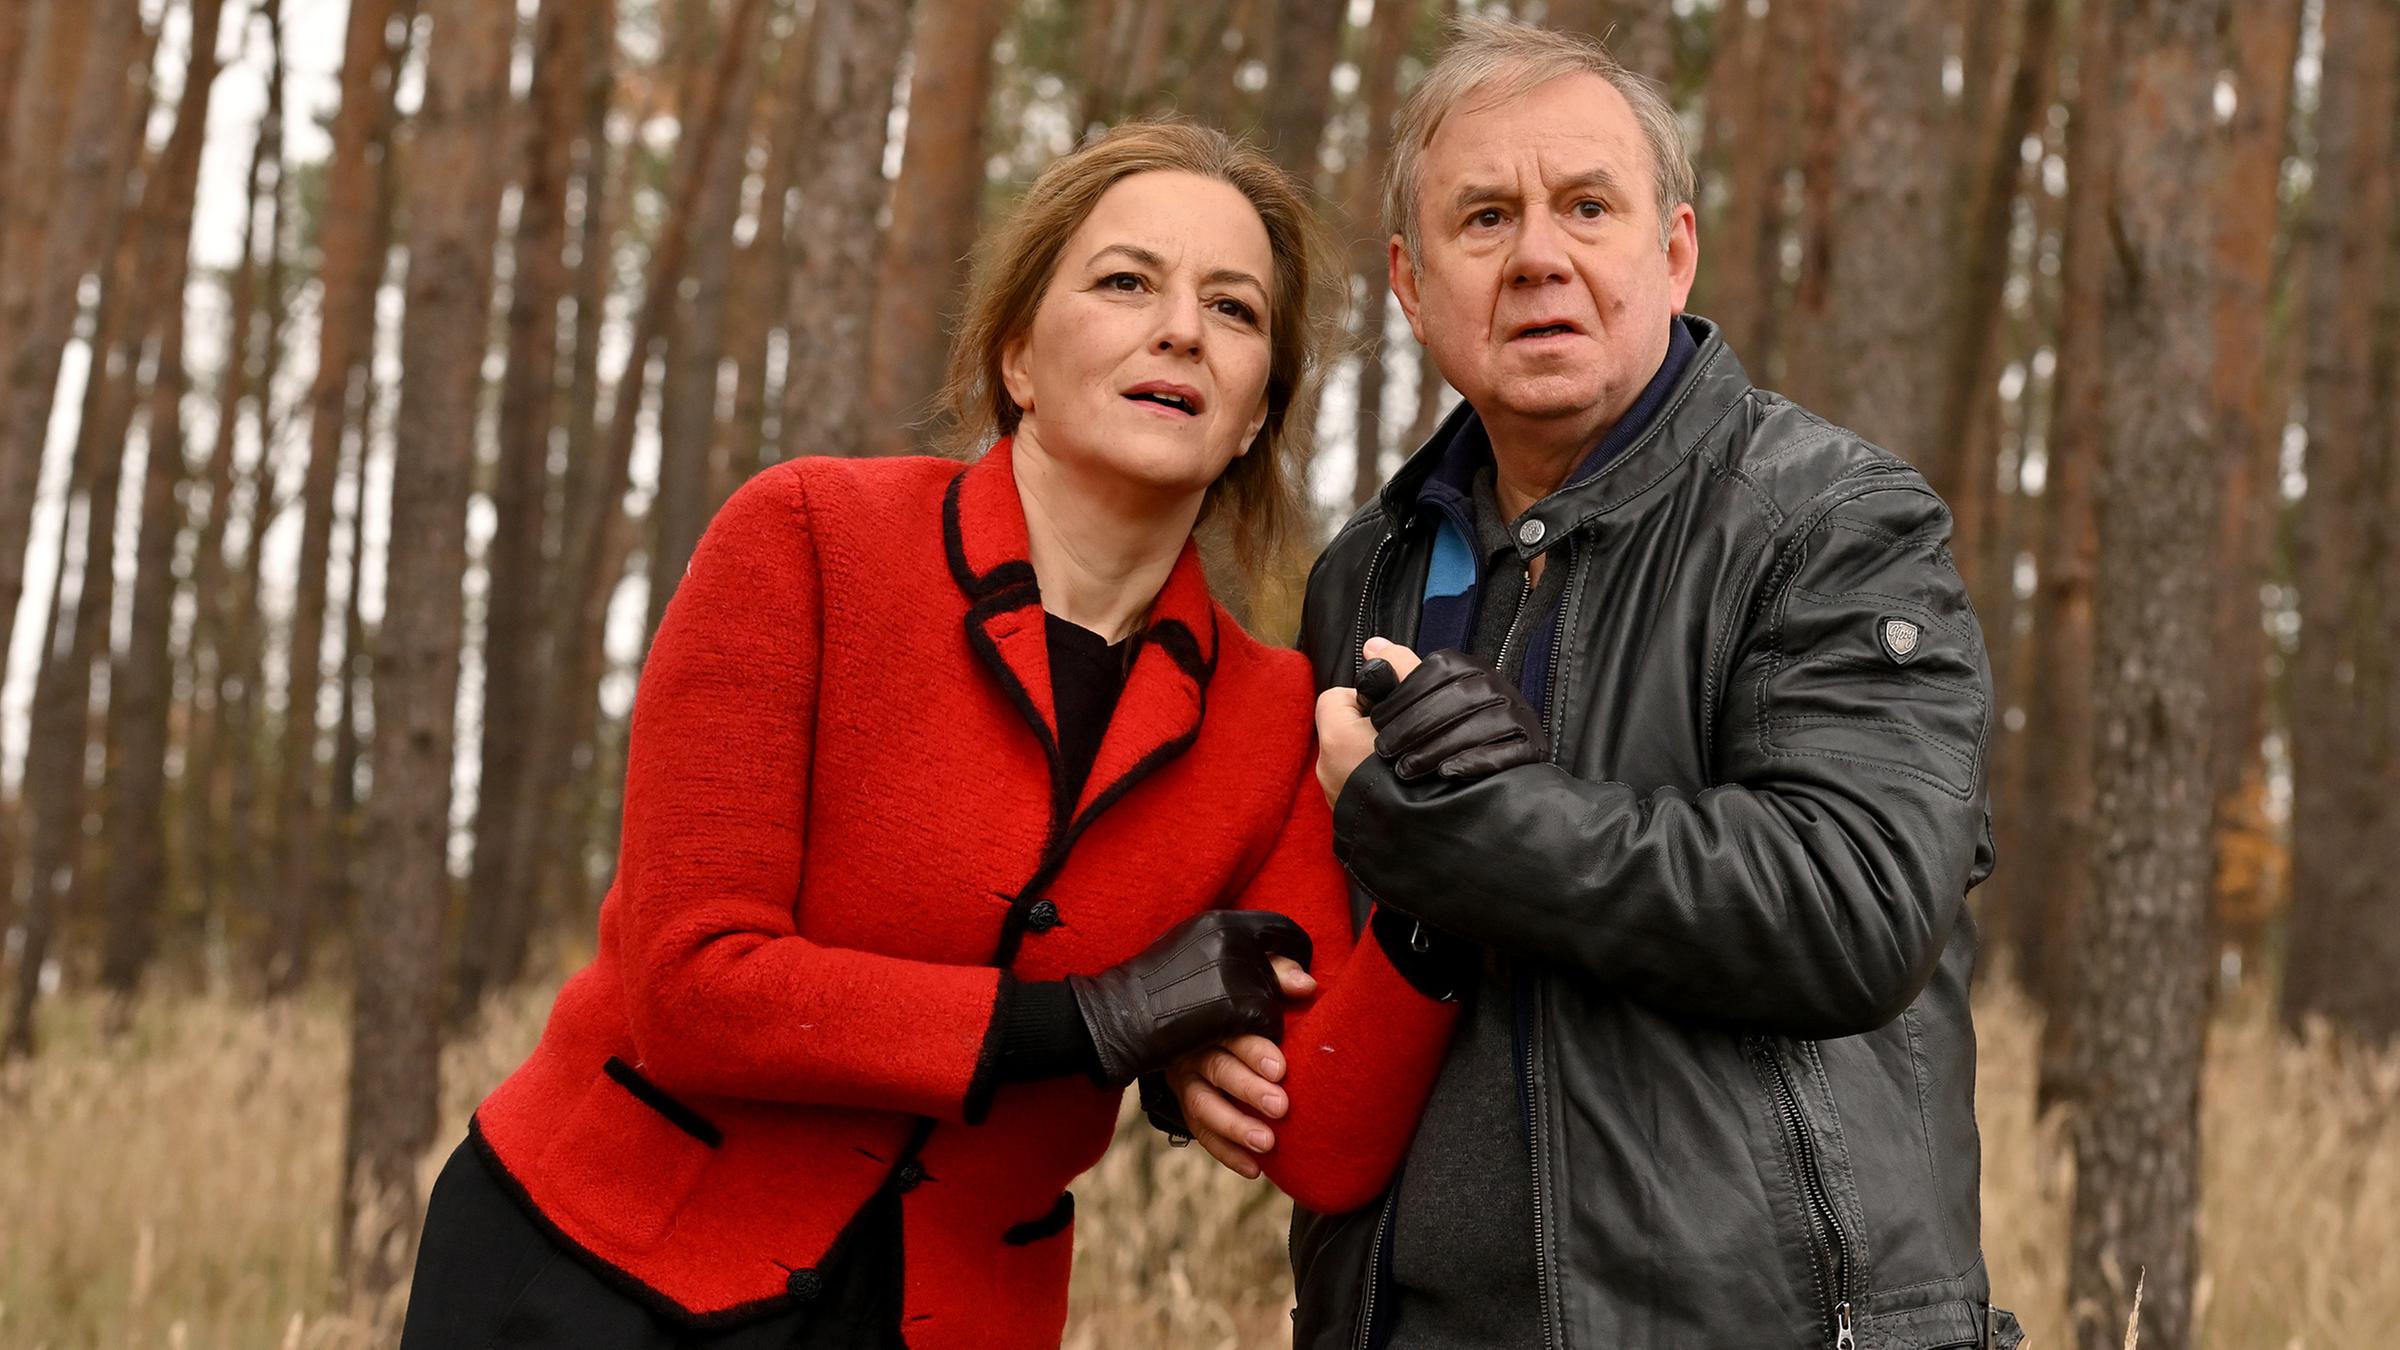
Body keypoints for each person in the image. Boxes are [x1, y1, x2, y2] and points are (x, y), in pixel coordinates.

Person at [396, 119, 1459, 1350]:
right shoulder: (807, 540)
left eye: (1234, 309)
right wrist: (1099, 1022)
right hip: (591, 1278)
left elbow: (1320, 1141)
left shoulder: (1271, 714)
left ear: (1253, 416)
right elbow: (694, 985)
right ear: (1016, 354)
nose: (1181, 328)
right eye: (1126, 283)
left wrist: (1443, 854)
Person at [1164, 18, 2026, 1350]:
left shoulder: (1828, 519)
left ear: (1671, 251)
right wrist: (1204, 1042)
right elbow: (1348, 942)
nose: (1540, 258)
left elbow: (1856, 904)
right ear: (1410, 277)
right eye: (1486, 216)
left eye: (1587, 206)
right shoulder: (1369, 569)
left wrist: (1459, 831)